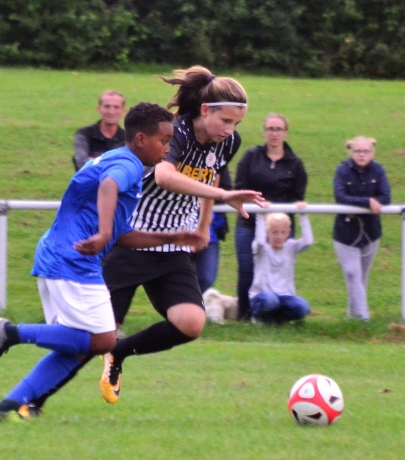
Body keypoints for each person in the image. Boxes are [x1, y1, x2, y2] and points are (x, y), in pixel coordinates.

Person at [0, 102, 208, 422]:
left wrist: (171, 237)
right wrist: (102, 233)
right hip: (73, 260)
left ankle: (4, 408)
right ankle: (10, 332)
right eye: (164, 141)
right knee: (103, 340)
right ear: (141, 139)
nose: (168, 149)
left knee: (76, 348)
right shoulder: (128, 165)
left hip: (59, 254)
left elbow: (122, 234)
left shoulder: (121, 159)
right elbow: (108, 185)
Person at [93, 66, 265, 405]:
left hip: (174, 246)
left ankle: (119, 354)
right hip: (134, 238)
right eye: (226, 121)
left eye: (236, 124)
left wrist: (203, 226)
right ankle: (27, 387)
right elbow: (164, 176)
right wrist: (223, 197)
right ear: (205, 110)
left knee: (191, 323)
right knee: (92, 338)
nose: (230, 130)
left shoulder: (228, 142)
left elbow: (213, 176)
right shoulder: (176, 132)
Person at [234, 114, 308, 318]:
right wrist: (256, 204)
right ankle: (244, 314)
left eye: (278, 129)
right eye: (270, 129)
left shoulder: (295, 163)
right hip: (249, 223)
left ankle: (275, 315)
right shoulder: (251, 157)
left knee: (280, 269)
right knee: (247, 269)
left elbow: (298, 196)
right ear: (264, 131)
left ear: (285, 132)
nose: (274, 134)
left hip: (280, 227)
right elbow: (239, 188)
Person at [333, 135, 390, 321]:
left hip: (371, 232)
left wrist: (364, 204)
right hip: (345, 233)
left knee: (360, 278)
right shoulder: (342, 170)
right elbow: (340, 196)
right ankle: (364, 319)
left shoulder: (378, 170)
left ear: (372, 153)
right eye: (358, 151)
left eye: (366, 151)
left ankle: (353, 319)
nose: (362, 155)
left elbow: (385, 197)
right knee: (352, 273)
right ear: (351, 152)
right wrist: (367, 202)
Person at [249, 207, 312, 323]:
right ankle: (258, 317)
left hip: (285, 296)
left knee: (302, 307)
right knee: (270, 300)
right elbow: (260, 241)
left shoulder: (291, 247)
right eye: (274, 232)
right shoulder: (261, 249)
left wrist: (302, 214)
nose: (279, 236)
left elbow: (308, 242)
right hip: (263, 295)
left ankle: (278, 320)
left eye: (283, 232)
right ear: (266, 233)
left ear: (288, 232)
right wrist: (261, 215)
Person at [191, 165, 232, 293]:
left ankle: (194, 301)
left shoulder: (216, 161)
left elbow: (226, 189)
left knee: (206, 278)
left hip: (210, 228)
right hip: (177, 227)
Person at [72, 90, 126, 170]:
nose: (111, 112)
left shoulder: (128, 139)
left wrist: (94, 162)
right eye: (107, 106)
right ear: (99, 109)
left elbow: (132, 167)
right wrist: (116, 165)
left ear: (123, 111)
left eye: (116, 107)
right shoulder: (84, 134)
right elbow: (81, 164)